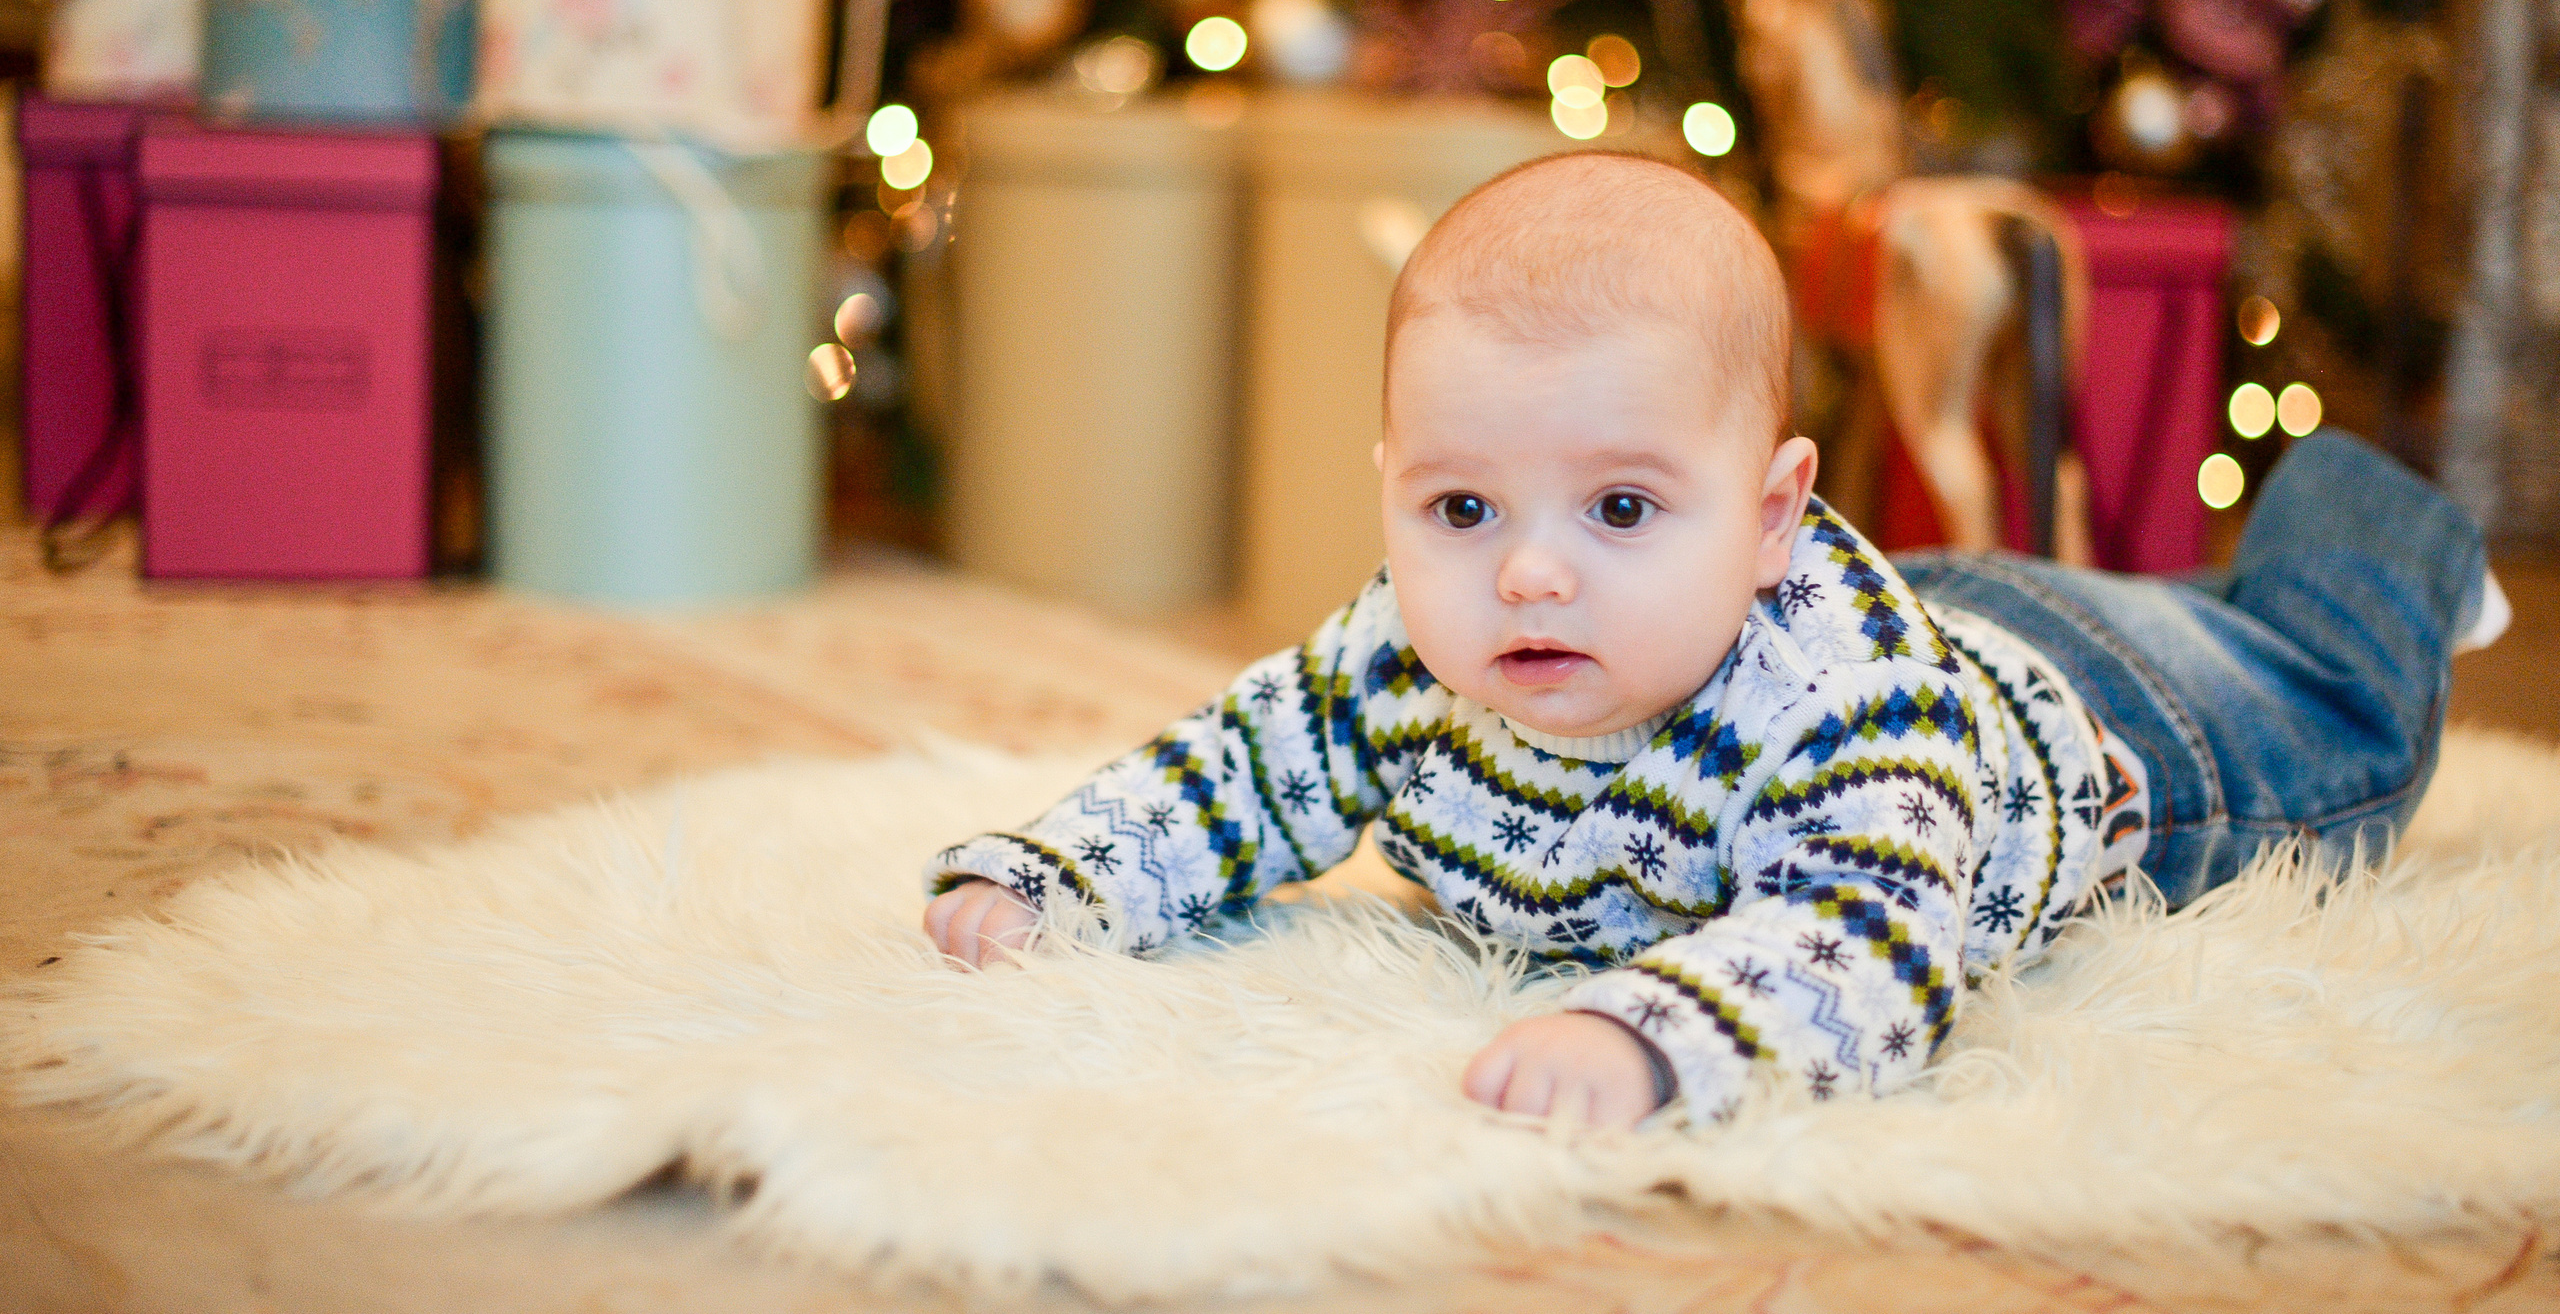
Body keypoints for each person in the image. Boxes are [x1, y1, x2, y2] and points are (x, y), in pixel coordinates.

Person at [923, 152, 2500, 1130]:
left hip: (2105, 724)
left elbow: (1874, 937)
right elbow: (1234, 770)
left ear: (1770, 512)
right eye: (1462, 509)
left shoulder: (1850, 710)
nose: (1530, 575)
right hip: (1883, 597)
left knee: (2328, 696)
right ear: (1390, 489)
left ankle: (2381, 523)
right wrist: (1054, 874)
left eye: (1619, 506)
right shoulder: (1397, 661)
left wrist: (1653, 1034)